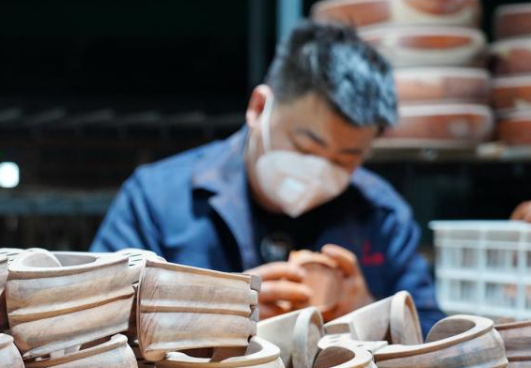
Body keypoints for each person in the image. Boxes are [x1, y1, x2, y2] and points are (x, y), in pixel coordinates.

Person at [91, 21, 445, 334]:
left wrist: (371, 314)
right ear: (259, 108)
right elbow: (94, 316)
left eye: (346, 158)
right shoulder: (158, 199)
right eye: (305, 148)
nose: (320, 170)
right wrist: (214, 318)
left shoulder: (381, 214)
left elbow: (432, 336)